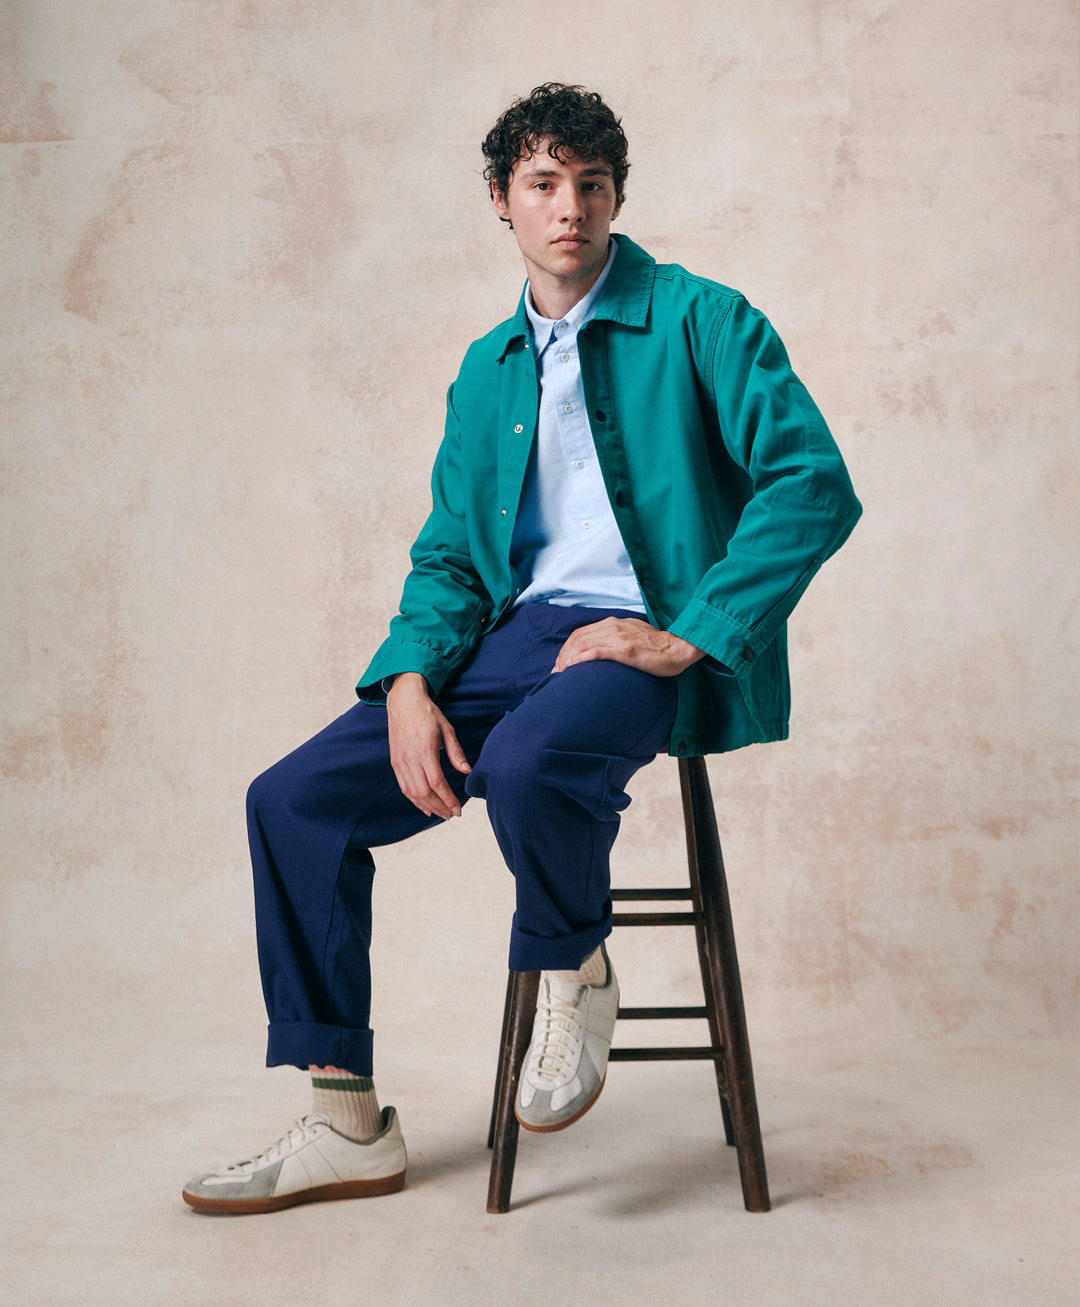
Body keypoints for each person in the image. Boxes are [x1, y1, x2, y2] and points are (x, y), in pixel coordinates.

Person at [182, 82, 861, 1214]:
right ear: (501, 200)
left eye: (591, 185)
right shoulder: (487, 368)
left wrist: (689, 634)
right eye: (544, 184)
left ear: (616, 197)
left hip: (636, 639)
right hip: (511, 638)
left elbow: (812, 482)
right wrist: (405, 679)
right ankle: (345, 1122)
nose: (570, 209)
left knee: (529, 763)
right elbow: (452, 555)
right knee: (289, 799)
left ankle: (573, 964)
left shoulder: (703, 318)